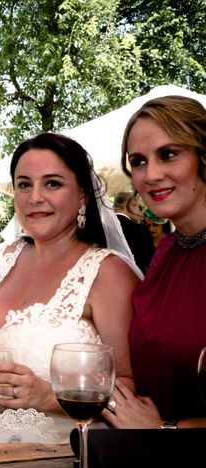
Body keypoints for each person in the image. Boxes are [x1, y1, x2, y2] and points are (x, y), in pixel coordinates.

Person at [0, 132, 142, 442]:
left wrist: (49, 397)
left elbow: (133, 387)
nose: (35, 197)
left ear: (82, 195)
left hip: (68, 450)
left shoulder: (106, 273)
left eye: (52, 183)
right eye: (24, 184)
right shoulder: (4, 258)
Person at [105, 95, 206, 429]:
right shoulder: (168, 251)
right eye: (138, 161)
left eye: (168, 154)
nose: (151, 174)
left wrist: (163, 431)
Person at [113, 191, 155, 272]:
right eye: (139, 207)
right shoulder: (138, 229)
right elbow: (152, 260)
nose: (141, 212)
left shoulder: (105, 226)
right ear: (132, 205)